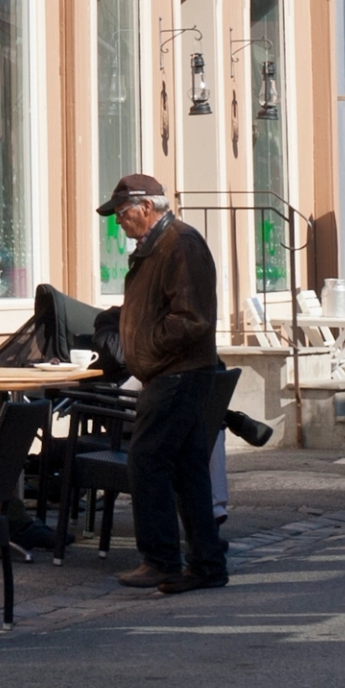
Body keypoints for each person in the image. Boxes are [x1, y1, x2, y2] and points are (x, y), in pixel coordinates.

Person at [103, 173, 230, 596]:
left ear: (145, 207)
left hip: (176, 373)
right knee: (186, 466)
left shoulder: (179, 243)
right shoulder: (157, 246)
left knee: (147, 459)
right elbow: (162, 307)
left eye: (122, 214)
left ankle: (161, 560)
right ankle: (206, 563)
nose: (118, 222)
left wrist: (150, 350)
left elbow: (191, 318)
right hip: (173, 371)